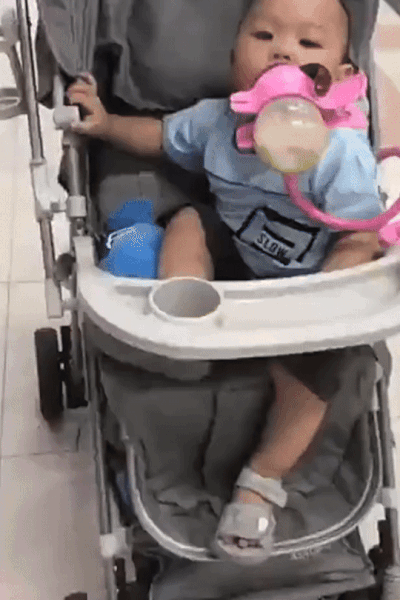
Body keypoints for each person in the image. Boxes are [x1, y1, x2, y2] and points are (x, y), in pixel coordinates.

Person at [66, 0, 384, 564]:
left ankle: (259, 482)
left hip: (305, 289)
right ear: (234, 57)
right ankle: (185, 303)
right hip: (237, 254)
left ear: (339, 77)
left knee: (325, 371)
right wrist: (107, 123)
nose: (283, 52)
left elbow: (361, 235)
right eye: (264, 36)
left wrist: (333, 288)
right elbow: (160, 136)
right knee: (189, 219)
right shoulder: (216, 122)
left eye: (309, 45)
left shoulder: (339, 152)